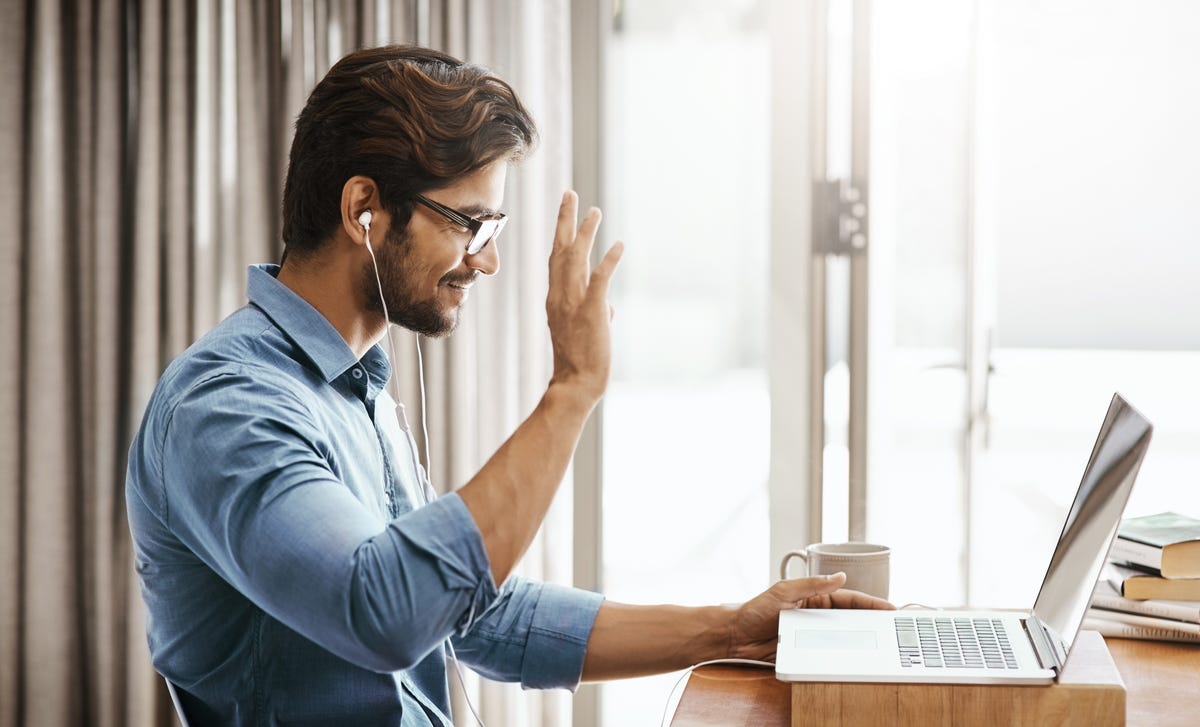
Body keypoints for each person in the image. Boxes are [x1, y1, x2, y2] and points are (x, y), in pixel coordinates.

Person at [125, 44, 892, 726]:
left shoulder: (355, 395)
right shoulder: (226, 406)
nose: (486, 261)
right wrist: (572, 388)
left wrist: (734, 628)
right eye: (469, 224)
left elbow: (480, 617)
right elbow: (383, 610)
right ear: (363, 208)